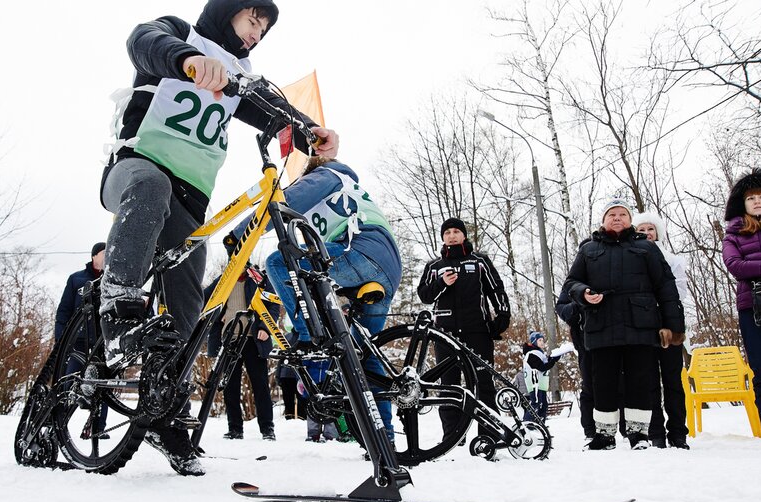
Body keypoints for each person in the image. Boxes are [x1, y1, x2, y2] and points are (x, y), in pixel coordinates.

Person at [96, 0, 338, 476]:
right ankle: (117, 301)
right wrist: (188, 60)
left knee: (188, 305)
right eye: (253, 21)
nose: (256, 35)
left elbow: (273, 111)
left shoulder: (241, 74)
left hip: (189, 204)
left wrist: (310, 131)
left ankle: (164, 415)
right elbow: (142, 41)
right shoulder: (180, 32)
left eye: (264, 31)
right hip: (135, 168)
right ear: (229, 11)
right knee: (152, 186)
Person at [235, 156, 401, 442]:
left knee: (278, 261)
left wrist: (238, 236)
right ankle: (384, 437)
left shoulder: (330, 175)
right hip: (387, 266)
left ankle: (305, 335)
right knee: (366, 359)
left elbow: (282, 205)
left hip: (361, 253)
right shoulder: (351, 191)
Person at [563, 198, 685, 451]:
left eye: (622, 214)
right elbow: (571, 282)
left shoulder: (647, 248)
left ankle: (639, 434)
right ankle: (605, 435)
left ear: (630, 220)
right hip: (601, 326)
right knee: (603, 382)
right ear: (603, 220)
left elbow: (666, 286)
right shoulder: (588, 249)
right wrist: (584, 292)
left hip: (640, 324)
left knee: (639, 380)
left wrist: (674, 328)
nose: (617, 218)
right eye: (612, 215)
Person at [417, 217, 511, 440]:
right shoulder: (433, 266)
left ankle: (488, 435)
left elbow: (496, 289)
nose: (451, 235)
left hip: (477, 331)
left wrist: (503, 314)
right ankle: (452, 436)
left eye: (456, 232)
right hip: (445, 335)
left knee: (483, 384)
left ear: (464, 235)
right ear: (442, 237)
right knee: (449, 386)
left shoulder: (480, 261)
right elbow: (424, 296)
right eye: (447, 232)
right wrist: (442, 283)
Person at [205, 241, 279, 441]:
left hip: (253, 339)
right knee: (230, 386)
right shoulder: (223, 282)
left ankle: (267, 429)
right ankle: (235, 429)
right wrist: (216, 316)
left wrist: (265, 328)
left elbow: (272, 306)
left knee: (261, 385)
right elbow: (204, 301)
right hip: (228, 340)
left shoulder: (259, 279)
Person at [633, 210, 690, 449]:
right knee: (649, 383)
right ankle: (656, 433)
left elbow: (680, 294)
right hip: (643, 328)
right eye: (641, 230)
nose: (646, 233)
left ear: (658, 232)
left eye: (650, 229)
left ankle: (678, 433)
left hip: (670, 326)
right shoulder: (632, 259)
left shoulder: (673, 260)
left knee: (673, 381)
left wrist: (672, 324)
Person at [55, 242, 109, 440]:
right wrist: (60, 341)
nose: (107, 256)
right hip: (77, 342)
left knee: (102, 385)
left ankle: (97, 428)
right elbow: (63, 311)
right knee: (68, 382)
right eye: (104, 253)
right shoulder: (77, 279)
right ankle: (58, 423)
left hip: (101, 343)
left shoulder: (112, 281)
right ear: (94, 256)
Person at [722, 168, 761, 425]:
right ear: (742, 204)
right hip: (753, 305)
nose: (756, 201)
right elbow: (735, 265)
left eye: (760, 195)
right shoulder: (734, 233)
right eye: (751, 198)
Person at [555, 285, 596, 440]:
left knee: (619, 384)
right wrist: (578, 307)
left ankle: (624, 428)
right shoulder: (574, 281)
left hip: (610, 339)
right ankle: (590, 430)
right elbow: (561, 308)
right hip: (585, 342)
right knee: (589, 386)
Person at [521, 331, 563, 422]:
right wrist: (553, 361)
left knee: (543, 405)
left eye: (543, 340)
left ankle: (541, 426)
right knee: (536, 404)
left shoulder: (539, 353)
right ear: (534, 342)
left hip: (541, 385)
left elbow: (546, 362)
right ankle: (526, 424)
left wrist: (554, 358)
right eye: (539, 340)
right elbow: (542, 367)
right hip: (534, 384)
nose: (542, 342)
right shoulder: (531, 354)